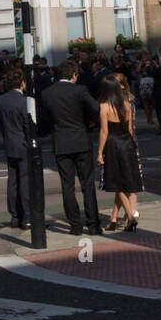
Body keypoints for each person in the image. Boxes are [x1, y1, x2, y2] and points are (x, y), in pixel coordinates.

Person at [41, 58, 101, 235]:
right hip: (81, 139)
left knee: (67, 186)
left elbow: (45, 119)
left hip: (61, 141)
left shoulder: (47, 93)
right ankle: (93, 224)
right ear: (74, 75)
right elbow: (96, 108)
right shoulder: (79, 90)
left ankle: (75, 226)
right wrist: (87, 121)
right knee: (87, 184)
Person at [97, 73, 143, 232]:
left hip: (113, 144)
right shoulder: (126, 105)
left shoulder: (104, 106)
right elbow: (130, 129)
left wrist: (99, 151)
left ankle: (130, 216)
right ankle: (119, 217)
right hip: (127, 143)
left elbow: (104, 131)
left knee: (117, 183)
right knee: (127, 181)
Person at [0, 68, 31, 231]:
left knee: (12, 180)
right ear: (22, 82)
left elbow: (1, 124)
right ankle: (26, 216)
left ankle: (15, 216)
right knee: (24, 181)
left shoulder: (1, 100)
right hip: (22, 144)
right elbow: (27, 125)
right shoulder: (24, 101)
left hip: (9, 142)